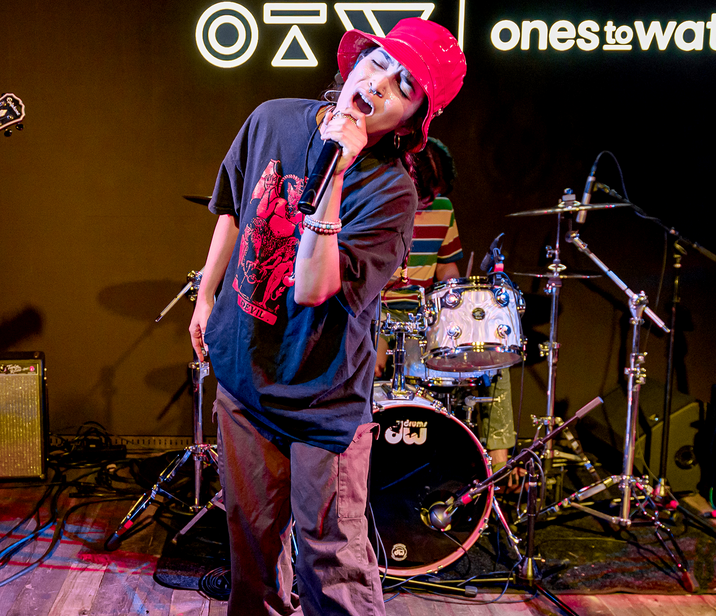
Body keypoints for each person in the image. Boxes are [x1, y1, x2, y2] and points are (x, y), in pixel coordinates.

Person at [188, 18, 466, 615]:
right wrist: (205, 295)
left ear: (411, 121)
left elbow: (314, 288)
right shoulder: (272, 118)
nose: (380, 83)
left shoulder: (392, 193)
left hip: (320, 398)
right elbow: (233, 207)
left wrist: (336, 169)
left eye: (404, 86)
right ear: (356, 61)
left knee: (331, 563)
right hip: (243, 377)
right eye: (379, 62)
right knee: (251, 552)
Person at [375, 137, 517, 474]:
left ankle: (498, 469)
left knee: (494, 356)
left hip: (421, 315)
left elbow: (446, 268)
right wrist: (376, 331)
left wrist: (458, 303)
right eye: (425, 193)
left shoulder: (443, 208)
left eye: (436, 193)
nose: (430, 201)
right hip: (375, 311)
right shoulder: (380, 202)